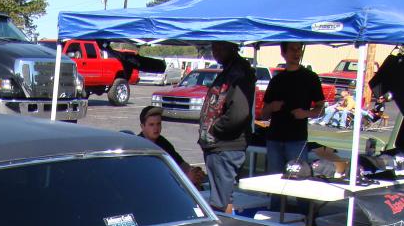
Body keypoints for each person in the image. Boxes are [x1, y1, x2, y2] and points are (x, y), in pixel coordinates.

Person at [260, 42, 324, 207]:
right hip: (274, 138)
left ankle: (305, 216)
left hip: (297, 139)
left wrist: (306, 113)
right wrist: (271, 107)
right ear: (283, 53)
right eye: (292, 49)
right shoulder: (277, 80)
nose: (296, 53)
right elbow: (264, 113)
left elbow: (321, 108)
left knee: (300, 182)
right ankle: (275, 213)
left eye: (299, 49)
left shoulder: (310, 77)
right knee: (275, 183)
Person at [197, 41, 255, 213]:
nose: (215, 52)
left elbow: (238, 113)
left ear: (231, 47)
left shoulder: (239, 73)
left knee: (220, 202)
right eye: (213, 47)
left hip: (225, 146)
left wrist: (215, 128)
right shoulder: (231, 70)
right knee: (223, 199)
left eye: (219, 47)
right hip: (220, 146)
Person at [137, 106, 206, 187]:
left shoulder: (162, 142)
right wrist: (185, 178)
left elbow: (179, 163)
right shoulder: (138, 146)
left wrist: (193, 172)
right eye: (151, 125)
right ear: (142, 127)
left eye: (158, 124)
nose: (156, 128)